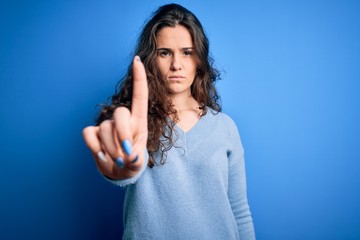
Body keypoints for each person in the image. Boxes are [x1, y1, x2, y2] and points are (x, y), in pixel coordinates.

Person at [83, 3, 255, 240]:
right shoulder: (135, 122)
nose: (177, 64)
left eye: (187, 52)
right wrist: (122, 167)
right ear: (151, 59)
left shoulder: (225, 127)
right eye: (165, 52)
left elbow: (239, 211)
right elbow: (128, 168)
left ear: (199, 59)